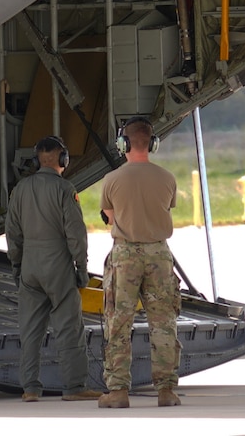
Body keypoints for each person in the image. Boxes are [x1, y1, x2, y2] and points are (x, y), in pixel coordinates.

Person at [4, 136, 102, 403]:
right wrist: (81, 269)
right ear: (63, 160)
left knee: (30, 330)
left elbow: (12, 233)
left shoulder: (21, 189)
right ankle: (74, 387)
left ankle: (31, 389)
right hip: (57, 262)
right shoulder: (64, 189)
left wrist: (17, 266)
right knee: (69, 326)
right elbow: (76, 235)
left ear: (37, 160)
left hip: (30, 264)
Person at [97, 120, 182, 408]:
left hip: (126, 255)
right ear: (152, 144)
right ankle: (167, 390)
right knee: (163, 322)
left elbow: (110, 215)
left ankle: (118, 390)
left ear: (124, 145)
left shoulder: (112, 179)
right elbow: (166, 207)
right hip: (159, 254)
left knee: (119, 322)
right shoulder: (167, 178)